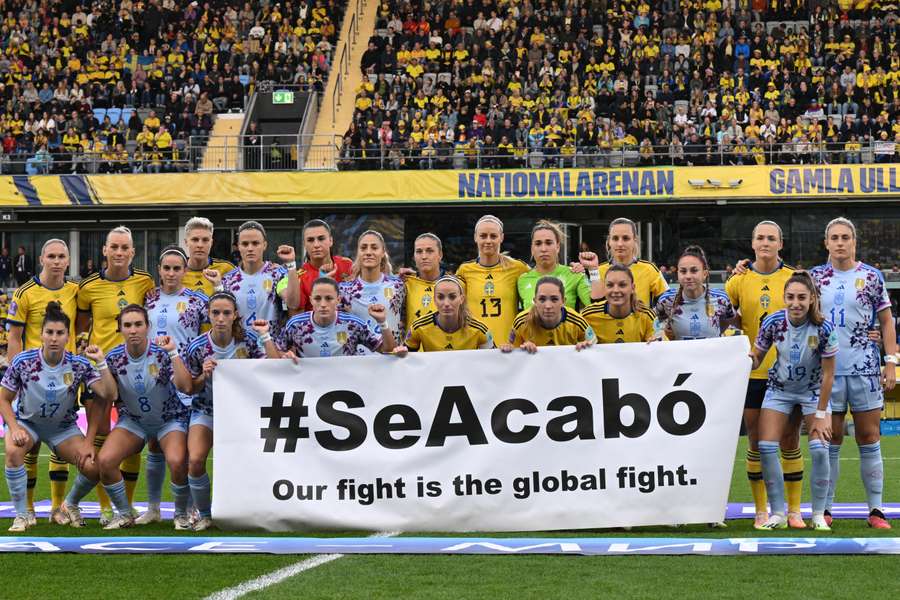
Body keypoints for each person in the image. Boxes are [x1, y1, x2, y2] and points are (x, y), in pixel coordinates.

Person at [810, 217, 897, 529]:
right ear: (826, 243)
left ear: (854, 241)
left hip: (865, 368)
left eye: (845, 237)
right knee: (828, 441)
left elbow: (886, 321)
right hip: (827, 371)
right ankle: (826, 509)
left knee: (869, 437)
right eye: (834, 237)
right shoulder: (815, 277)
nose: (840, 242)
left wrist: (891, 361)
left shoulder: (871, 277)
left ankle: (876, 510)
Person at [73, 305, 191, 530]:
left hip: (169, 418)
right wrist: (101, 364)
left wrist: (174, 353)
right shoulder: (114, 357)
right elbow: (109, 396)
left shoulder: (162, 352)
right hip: (133, 421)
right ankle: (125, 513)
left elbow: (185, 386)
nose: (133, 330)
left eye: (138, 324)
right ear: (120, 329)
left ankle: (181, 514)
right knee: (105, 462)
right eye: (127, 325)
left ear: (148, 327)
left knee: (177, 461)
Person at [1, 302, 116, 532]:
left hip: (63, 428)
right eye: (49, 332)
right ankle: (22, 515)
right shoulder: (23, 362)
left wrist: (101, 363)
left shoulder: (80, 364)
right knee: (13, 452)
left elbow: (109, 394)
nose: (54, 338)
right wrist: (14, 428)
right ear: (41, 335)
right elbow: (3, 399)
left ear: (68, 336)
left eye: (60, 333)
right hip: (28, 423)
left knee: (93, 467)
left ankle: (68, 504)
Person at [171, 291, 279, 531]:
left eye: (226, 313)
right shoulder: (197, 346)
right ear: (208, 315)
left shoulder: (249, 339)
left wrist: (267, 336)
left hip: (243, 412)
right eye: (216, 313)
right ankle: (206, 515)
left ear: (235, 315)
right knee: (196, 459)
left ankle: (254, 508)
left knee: (254, 460)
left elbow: (275, 366)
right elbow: (189, 387)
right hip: (206, 410)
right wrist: (203, 375)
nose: (221, 318)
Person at [726, 221, 805, 529]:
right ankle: (762, 511)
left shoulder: (793, 279)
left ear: (780, 244)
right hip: (753, 373)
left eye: (771, 238)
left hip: (789, 375)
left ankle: (794, 511)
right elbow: (720, 319)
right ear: (752, 242)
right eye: (760, 237)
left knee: (789, 439)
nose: (766, 242)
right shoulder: (738, 280)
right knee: (756, 442)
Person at [76, 226, 155, 522]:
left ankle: (129, 503)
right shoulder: (88, 287)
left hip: (132, 370)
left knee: (132, 437)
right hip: (99, 372)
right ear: (105, 251)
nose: (119, 253)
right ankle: (105, 507)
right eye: (114, 247)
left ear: (133, 252)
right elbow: (82, 325)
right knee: (100, 435)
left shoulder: (145, 282)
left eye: (125, 248)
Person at [750, 272, 837, 531]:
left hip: (812, 391)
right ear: (784, 298)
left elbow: (829, 374)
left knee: (820, 449)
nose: (795, 303)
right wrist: (742, 358)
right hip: (779, 390)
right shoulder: (774, 322)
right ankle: (777, 513)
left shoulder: (824, 327)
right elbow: (757, 356)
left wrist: (821, 413)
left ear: (811, 299)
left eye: (801, 297)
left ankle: (818, 514)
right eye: (790, 297)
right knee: (765, 447)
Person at [5, 239, 79, 525]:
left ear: (68, 261)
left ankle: (58, 508)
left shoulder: (75, 291)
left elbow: (81, 327)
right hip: (32, 380)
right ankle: (29, 510)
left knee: (60, 441)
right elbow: (14, 338)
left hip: (65, 378)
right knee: (29, 447)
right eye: (52, 256)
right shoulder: (25, 293)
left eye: (62, 256)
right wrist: (18, 376)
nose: (57, 261)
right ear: (41, 260)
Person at [138, 246, 208, 526]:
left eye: (176, 268)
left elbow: (206, 339)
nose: (171, 273)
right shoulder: (149, 298)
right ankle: (154, 508)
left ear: (185, 270)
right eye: (166, 268)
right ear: (159, 269)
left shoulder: (198, 301)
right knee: (154, 444)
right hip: (156, 379)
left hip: (185, 377)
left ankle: (190, 508)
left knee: (188, 450)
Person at [210, 221, 300, 334]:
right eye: (245, 244)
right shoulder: (228, 280)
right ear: (238, 247)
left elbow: (293, 303)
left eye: (255, 243)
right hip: (240, 348)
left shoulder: (278, 274)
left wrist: (291, 264)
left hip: (271, 348)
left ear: (264, 245)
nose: (250, 248)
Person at [456, 215, 530, 344]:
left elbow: (541, 277)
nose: (488, 241)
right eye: (483, 236)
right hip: (476, 347)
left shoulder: (518, 268)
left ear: (501, 237)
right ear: (475, 237)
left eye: (493, 236)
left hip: (508, 347)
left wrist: (576, 268)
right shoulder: (464, 270)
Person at [279, 277, 397, 358]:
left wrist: (382, 322)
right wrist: (285, 356)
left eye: (329, 298)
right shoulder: (295, 324)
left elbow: (387, 349)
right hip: (310, 388)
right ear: (311, 300)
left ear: (338, 300)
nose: (323, 304)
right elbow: (277, 354)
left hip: (345, 387)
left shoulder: (353, 324)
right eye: (318, 298)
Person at [339, 230, 406, 345]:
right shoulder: (344, 290)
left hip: (392, 358)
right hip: (359, 360)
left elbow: (406, 321)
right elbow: (339, 330)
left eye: (374, 248)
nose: (368, 252)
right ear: (358, 252)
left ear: (383, 252)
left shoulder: (398, 286)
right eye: (363, 248)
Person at [517, 220, 601, 310]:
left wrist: (593, 270)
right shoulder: (522, 280)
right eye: (538, 243)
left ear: (557, 247)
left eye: (548, 243)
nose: (543, 249)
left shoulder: (574, 274)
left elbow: (597, 307)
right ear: (532, 249)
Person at [655, 245, 736, 340]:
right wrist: (667, 329)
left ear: (705, 274)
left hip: (712, 354)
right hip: (679, 354)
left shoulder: (721, 299)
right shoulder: (666, 300)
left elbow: (729, 319)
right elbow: (660, 323)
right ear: (677, 274)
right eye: (683, 271)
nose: (688, 276)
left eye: (694, 271)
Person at [399, 276, 494, 352]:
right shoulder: (418, 327)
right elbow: (405, 357)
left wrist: (506, 350)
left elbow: (495, 360)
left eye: (452, 297)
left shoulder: (480, 330)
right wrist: (400, 352)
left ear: (461, 299)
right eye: (440, 297)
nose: (446, 303)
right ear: (434, 300)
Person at [502, 276, 594, 352]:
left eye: (554, 299)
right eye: (542, 299)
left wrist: (586, 345)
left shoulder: (577, 321)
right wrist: (522, 349)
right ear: (535, 301)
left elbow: (595, 344)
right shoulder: (521, 321)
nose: (548, 306)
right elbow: (511, 350)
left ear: (563, 301)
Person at [597, 218, 669, 307]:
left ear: (634, 240)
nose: (620, 244)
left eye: (625, 238)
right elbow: (592, 305)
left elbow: (668, 302)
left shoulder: (649, 269)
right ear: (609, 242)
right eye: (615, 238)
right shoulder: (598, 271)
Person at [582, 265, 658, 343]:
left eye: (622, 285)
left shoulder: (647, 316)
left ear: (633, 288)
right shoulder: (588, 315)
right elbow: (574, 344)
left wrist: (656, 342)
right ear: (604, 288)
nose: (615, 290)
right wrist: (581, 345)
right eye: (610, 285)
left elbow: (661, 343)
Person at [296, 219, 353, 312]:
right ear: (304, 245)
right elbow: (297, 319)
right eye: (310, 240)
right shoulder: (299, 277)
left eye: (321, 239)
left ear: (331, 240)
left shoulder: (347, 265)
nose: (316, 244)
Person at [180, 217, 236, 297]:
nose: (200, 245)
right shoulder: (176, 272)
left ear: (211, 243)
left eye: (205, 240)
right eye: (195, 240)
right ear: (186, 242)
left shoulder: (227, 269)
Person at [404, 233, 449, 326]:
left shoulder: (455, 285)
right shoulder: (405, 284)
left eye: (429, 251)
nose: (424, 256)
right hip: (412, 340)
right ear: (414, 256)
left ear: (440, 255)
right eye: (419, 251)